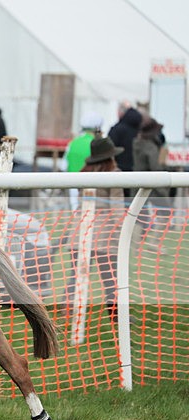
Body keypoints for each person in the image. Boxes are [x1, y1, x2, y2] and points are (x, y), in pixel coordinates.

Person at [64, 136, 125, 323]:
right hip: (103, 236)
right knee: (111, 279)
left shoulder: (85, 173)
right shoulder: (114, 174)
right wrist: (123, 231)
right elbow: (117, 209)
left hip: (80, 231)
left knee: (75, 278)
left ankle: (67, 313)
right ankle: (116, 316)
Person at [133, 117, 171, 248]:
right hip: (152, 186)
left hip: (137, 183)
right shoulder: (150, 147)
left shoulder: (136, 143)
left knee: (139, 216)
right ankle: (153, 243)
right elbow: (156, 167)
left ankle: (135, 245)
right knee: (166, 212)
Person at [64, 111, 102, 209]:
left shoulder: (72, 144)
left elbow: (63, 166)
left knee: (76, 212)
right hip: (92, 185)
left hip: (73, 184)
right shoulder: (98, 144)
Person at [108, 101, 142, 198]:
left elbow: (109, 150)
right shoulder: (141, 128)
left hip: (120, 172)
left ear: (121, 112)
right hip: (139, 173)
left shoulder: (117, 129)